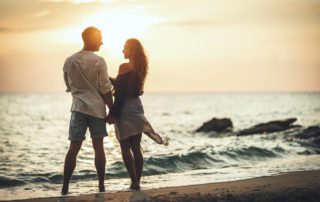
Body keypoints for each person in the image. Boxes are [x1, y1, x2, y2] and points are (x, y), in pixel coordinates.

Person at [106, 38, 168, 191]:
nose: (122, 51)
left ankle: (133, 181)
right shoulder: (141, 68)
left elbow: (120, 94)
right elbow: (129, 88)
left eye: (125, 48)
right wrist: (111, 80)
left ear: (132, 50)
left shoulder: (124, 66)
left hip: (125, 109)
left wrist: (112, 114)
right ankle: (137, 182)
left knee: (125, 147)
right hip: (137, 108)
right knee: (136, 147)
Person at [62, 26, 113, 195]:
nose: (102, 42)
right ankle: (101, 186)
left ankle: (65, 187)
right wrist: (112, 110)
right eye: (100, 38)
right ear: (91, 39)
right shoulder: (99, 61)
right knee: (98, 148)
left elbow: (68, 84)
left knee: (73, 148)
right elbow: (105, 88)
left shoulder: (69, 60)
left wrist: (78, 92)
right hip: (97, 110)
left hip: (78, 108)